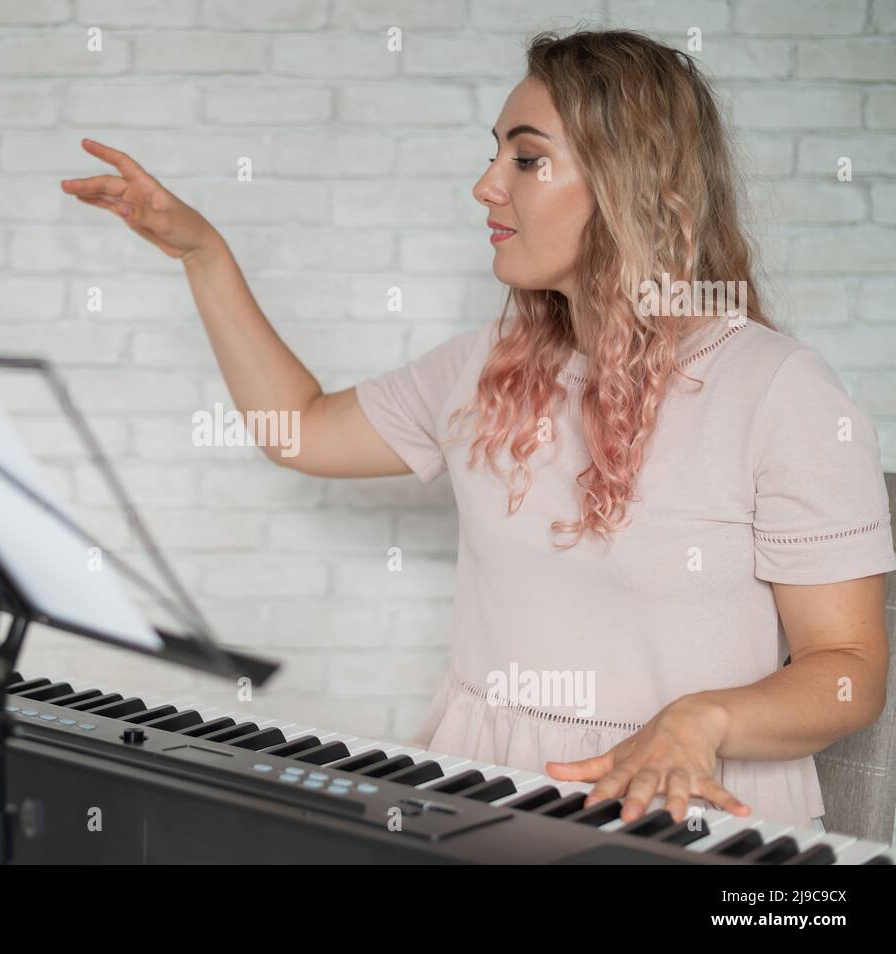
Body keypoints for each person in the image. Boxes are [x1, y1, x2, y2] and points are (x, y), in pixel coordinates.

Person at [60, 29, 895, 831]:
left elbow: (851, 672)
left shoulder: (779, 390)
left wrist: (702, 720)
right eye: (495, 152)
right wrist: (201, 252)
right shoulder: (487, 365)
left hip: (693, 818)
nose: (487, 186)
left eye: (527, 159)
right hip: (484, 800)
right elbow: (302, 431)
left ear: (632, 186)